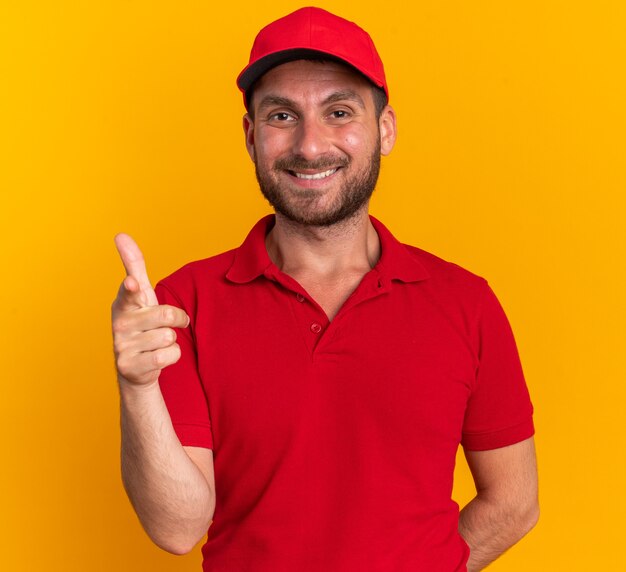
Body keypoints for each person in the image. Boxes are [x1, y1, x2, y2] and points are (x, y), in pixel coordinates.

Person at [111, 7, 538, 571]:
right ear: (250, 136)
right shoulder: (182, 303)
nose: (310, 146)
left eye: (339, 112)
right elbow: (177, 527)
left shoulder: (467, 303)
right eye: (282, 115)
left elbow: (514, 502)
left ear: (385, 129)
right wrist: (137, 387)